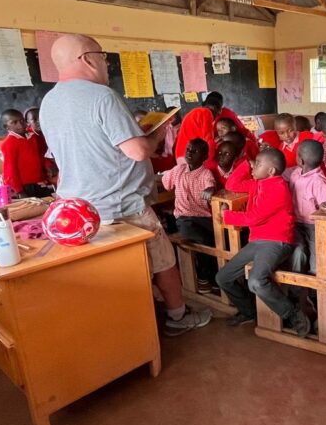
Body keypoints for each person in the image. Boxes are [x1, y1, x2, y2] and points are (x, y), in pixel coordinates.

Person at [40, 33, 210, 334]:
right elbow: (138, 151)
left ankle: (126, 326)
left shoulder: (49, 102)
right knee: (163, 261)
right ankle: (178, 315)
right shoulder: (102, 97)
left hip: (79, 210)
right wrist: (157, 133)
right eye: (103, 55)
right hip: (122, 207)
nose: (106, 63)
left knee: (108, 275)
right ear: (87, 59)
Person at [216, 148, 309, 336]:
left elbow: (253, 218)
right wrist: (245, 164)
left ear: (271, 171)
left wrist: (226, 215)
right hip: (257, 242)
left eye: (258, 164)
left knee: (256, 281)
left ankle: (292, 313)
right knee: (223, 278)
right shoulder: (258, 183)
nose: (254, 167)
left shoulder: (278, 188)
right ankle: (249, 311)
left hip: (276, 242)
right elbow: (232, 184)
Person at [161, 138, 219, 293]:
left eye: (195, 151)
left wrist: (210, 190)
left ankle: (214, 277)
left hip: (204, 217)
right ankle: (203, 277)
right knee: (203, 240)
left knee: (218, 240)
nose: (189, 153)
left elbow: (210, 185)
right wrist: (166, 174)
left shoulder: (206, 173)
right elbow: (166, 184)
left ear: (205, 156)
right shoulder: (178, 169)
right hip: (184, 218)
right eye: (188, 149)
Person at [288, 139, 326, 275]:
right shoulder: (296, 172)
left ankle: (315, 292)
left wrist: (325, 205)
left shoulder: (318, 181)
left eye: (297, 154)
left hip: (313, 226)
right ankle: (296, 287)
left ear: (301, 160)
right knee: (298, 250)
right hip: (295, 222)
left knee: (317, 256)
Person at [0, 109, 49, 197]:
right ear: (6, 127)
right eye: (14, 122)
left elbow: (42, 154)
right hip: (25, 186)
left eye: (22, 120)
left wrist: (48, 165)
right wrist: (19, 191)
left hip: (41, 181)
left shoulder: (33, 137)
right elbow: (10, 169)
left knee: (47, 206)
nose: (20, 124)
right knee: (33, 209)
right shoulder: (8, 143)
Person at [175, 95, 220, 159]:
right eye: (218, 113)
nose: (217, 116)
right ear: (215, 108)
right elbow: (208, 141)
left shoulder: (194, 112)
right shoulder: (207, 113)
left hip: (182, 154)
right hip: (190, 155)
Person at [24, 106, 56, 181]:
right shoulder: (30, 137)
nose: (39, 121)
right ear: (27, 122)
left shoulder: (48, 132)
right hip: (38, 172)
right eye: (34, 119)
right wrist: (48, 164)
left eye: (40, 118)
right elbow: (38, 155)